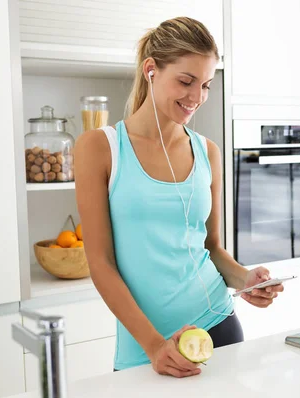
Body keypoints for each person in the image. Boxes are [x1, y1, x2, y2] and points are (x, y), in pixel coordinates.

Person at [74, 17, 284, 378]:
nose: (196, 98)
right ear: (152, 70)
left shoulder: (207, 152)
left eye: (205, 85)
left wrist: (246, 279)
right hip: (147, 347)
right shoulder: (100, 147)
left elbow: (212, 247)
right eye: (186, 81)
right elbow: (101, 264)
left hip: (218, 325)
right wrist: (155, 345)